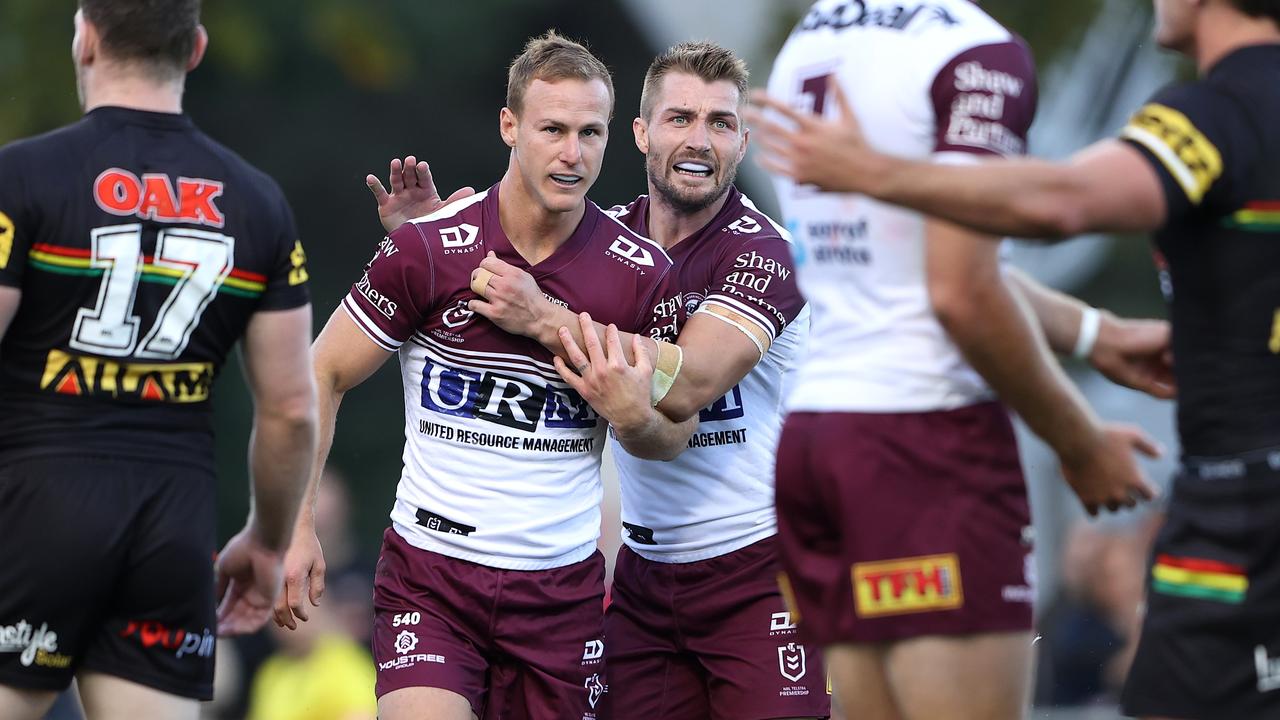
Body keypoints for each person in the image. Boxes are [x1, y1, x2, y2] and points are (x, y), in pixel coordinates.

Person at [750, 0, 1280, 717]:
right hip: (926, 444)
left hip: (816, 438)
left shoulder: (809, 42)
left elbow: (1020, 223)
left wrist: (871, 172)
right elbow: (960, 285)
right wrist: (1078, 435)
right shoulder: (975, 53)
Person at [361, 42, 831, 719]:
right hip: (640, 582)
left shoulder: (767, 253)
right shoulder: (608, 241)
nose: (699, 140)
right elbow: (495, 265)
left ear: (742, 142)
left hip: (760, 572)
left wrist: (547, 319)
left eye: (721, 124)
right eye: (679, 118)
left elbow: (689, 382)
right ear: (639, 134)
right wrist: (425, 240)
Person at [281, 31, 692, 720]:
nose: (572, 153)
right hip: (431, 576)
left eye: (590, 133)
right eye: (552, 129)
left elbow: (675, 434)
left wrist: (636, 413)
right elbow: (321, 371)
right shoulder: (428, 248)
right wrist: (295, 527)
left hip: (561, 594)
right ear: (509, 125)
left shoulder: (642, 275)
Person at [0, 1, 318, 719]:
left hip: (33, 511)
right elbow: (292, 408)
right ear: (197, 49)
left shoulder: (21, 179)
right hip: (171, 533)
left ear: (85, 39)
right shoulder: (257, 203)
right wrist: (267, 542)